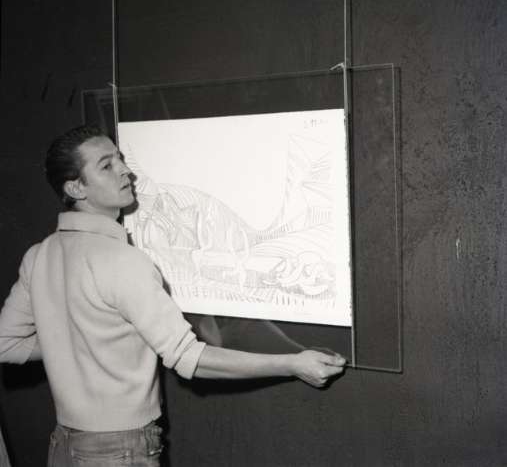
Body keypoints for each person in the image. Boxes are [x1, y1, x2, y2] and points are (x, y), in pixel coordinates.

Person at [0, 125, 346, 466]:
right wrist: (292, 363)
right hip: (118, 452)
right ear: (76, 188)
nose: (125, 171)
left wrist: (81, 340)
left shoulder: (39, 255)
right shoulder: (121, 260)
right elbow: (190, 359)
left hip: (64, 446)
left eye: (120, 159)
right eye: (106, 166)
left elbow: (6, 344)